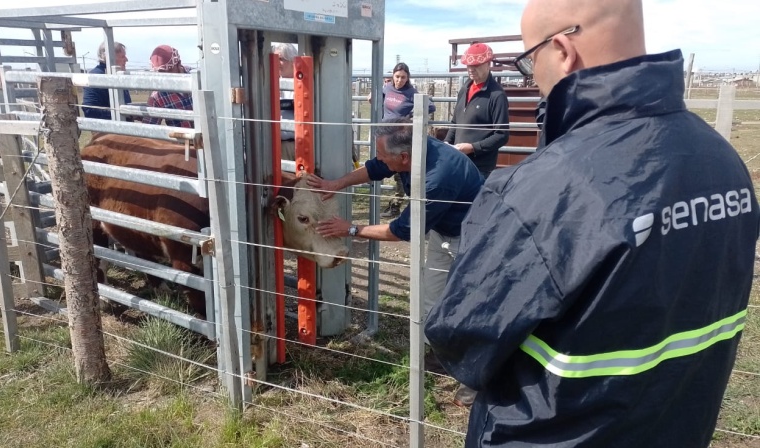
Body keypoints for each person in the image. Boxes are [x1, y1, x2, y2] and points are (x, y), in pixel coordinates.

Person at [424, 0, 760, 446]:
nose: (532, 78)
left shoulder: (544, 190)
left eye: (529, 61)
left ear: (562, 49)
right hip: (680, 428)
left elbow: (462, 340)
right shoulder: (723, 161)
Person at [307, 117, 483, 321]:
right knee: (431, 293)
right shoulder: (413, 148)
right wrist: (336, 184)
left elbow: (403, 229)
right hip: (444, 230)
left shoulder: (437, 179)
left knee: (473, 295)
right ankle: (432, 345)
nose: (379, 159)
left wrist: (351, 229)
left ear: (404, 158)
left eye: (382, 155)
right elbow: (375, 168)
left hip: (473, 235)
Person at [375, 63, 436, 219]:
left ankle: (397, 205)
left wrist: (411, 117)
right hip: (384, 134)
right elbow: (379, 97)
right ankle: (388, 203)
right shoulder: (387, 88)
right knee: (381, 164)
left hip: (399, 137)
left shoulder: (411, 92)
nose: (399, 80)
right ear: (392, 76)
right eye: (397, 76)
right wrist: (372, 96)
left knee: (401, 172)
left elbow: (430, 106)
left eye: (403, 77)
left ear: (407, 78)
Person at [444, 42, 510, 179]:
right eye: (469, 65)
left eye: (476, 65)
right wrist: (447, 143)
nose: (471, 69)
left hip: (480, 167)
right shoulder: (464, 89)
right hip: (458, 161)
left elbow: (502, 135)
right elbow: (455, 122)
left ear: (488, 64)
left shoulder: (497, 95)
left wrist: (473, 147)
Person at [141, 45, 193, 128]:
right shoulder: (157, 96)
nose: (166, 77)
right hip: (181, 138)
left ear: (178, 64)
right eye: (161, 73)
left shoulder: (196, 76)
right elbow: (148, 128)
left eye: (170, 70)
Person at [81, 42, 131, 120]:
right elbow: (90, 111)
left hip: (121, 127)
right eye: (122, 56)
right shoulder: (96, 77)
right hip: (107, 129)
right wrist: (123, 114)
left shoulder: (117, 75)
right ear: (110, 57)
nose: (126, 59)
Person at [273, 43, 297, 160]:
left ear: (293, 61)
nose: (277, 63)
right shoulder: (271, 84)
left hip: (298, 145)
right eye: (275, 59)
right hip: (279, 145)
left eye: (281, 59)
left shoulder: (303, 84)